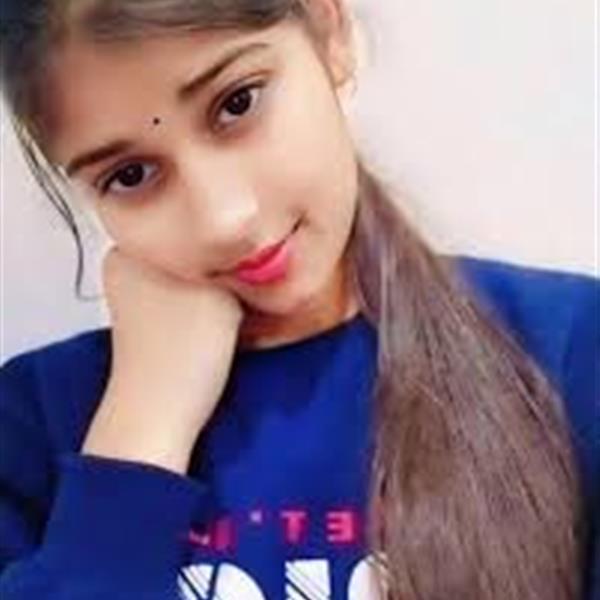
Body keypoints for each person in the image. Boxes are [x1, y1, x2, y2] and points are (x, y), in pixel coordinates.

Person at [0, 0, 597, 598]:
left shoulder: (570, 350)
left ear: (328, 28)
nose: (226, 218)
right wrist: (142, 429)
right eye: (130, 175)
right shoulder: (30, 423)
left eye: (238, 103)